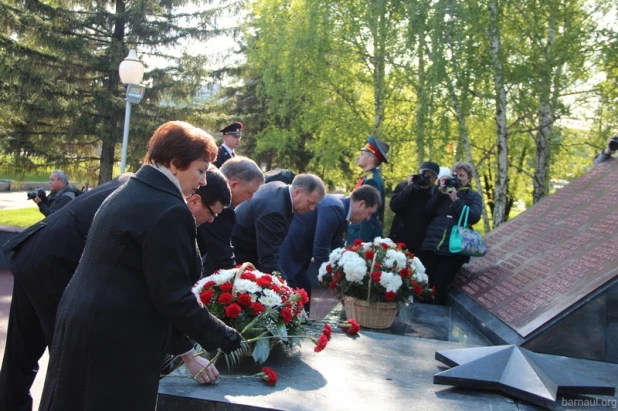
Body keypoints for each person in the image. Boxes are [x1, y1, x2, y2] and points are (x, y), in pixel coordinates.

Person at [39, 121, 241, 411]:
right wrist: (225, 336)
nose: (204, 180)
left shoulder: (134, 190)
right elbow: (171, 295)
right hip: (115, 338)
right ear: (174, 164)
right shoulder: (169, 209)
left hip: (84, 323)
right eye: (200, 170)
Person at [0, 174, 131, 411]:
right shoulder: (142, 195)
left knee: (21, 353)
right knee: (67, 356)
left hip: (31, 252)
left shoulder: (125, 184)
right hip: (54, 264)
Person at [280, 185, 381, 303]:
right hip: (289, 253)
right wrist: (332, 284)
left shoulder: (341, 207)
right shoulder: (335, 208)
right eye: (369, 213)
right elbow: (320, 249)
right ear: (361, 204)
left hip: (297, 254)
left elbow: (337, 249)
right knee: (293, 299)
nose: (368, 218)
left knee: (303, 294)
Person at [231, 174, 326, 276]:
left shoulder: (279, 187)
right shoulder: (275, 212)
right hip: (238, 258)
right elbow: (268, 259)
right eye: (310, 202)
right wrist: (285, 289)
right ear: (297, 192)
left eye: (315, 204)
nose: (312, 208)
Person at [420, 161, 483, 305]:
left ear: (469, 179)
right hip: (432, 244)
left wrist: (456, 201)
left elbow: (474, 216)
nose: (458, 179)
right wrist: (439, 191)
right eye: (455, 175)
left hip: (453, 249)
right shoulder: (442, 191)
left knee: (439, 287)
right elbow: (427, 211)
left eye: (462, 176)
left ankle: (434, 319)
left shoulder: (473, 196)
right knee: (424, 284)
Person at [197, 156, 264, 275]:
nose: (250, 199)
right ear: (234, 184)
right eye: (249, 193)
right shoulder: (223, 209)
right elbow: (223, 258)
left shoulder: (205, 180)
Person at [389, 161, 440, 255]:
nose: (426, 178)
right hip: (400, 235)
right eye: (424, 174)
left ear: (435, 179)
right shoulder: (405, 185)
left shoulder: (436, 193)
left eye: (430, 176)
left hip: (421, 241)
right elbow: (394, 206)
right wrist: (409, 187)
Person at [347, 134, 389, 244]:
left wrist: (361, 243)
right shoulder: (369, 177)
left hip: (361, 236)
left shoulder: (372, 181)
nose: (358, 157)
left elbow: (369, 216)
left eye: (362, 154)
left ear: (370, 159)